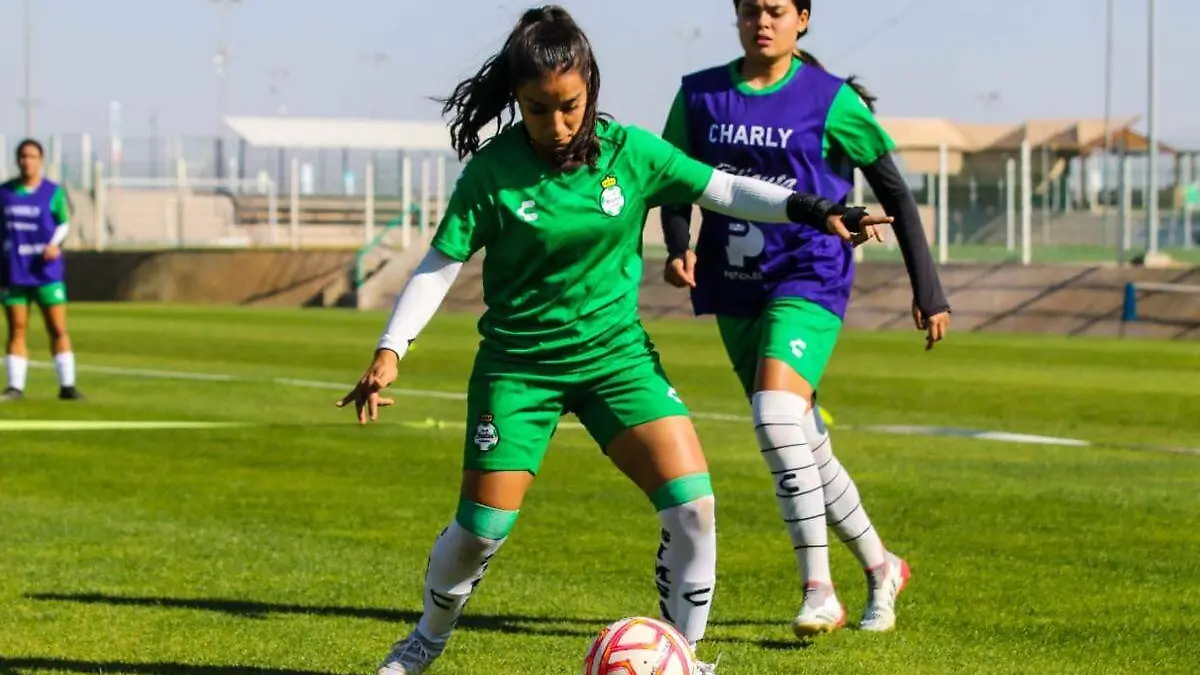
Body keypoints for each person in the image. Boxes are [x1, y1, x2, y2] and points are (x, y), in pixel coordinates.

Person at [335, 6, 890, 674]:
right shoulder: (493, 173)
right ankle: (425, 636)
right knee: (482, 531)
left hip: (616, 362)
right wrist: (391, 350)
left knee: (693, 507)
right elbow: (438, 265)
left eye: (569, 106)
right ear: (517, 101)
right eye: (537, 110)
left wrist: (816, 207)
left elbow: (724, 189)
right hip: (520, 369)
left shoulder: (632, 153)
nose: (557, 125)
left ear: (590, 87)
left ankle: (684, 656)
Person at [658, 0, 951, 637]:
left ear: (804, 18)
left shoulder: (833, 99)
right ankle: (882, 567)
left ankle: (819, 589)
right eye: (749, 10)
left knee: (772, 415)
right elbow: (674, 179)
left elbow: (894, 190)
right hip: (733, 284)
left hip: (810, 277)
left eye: (775, 10)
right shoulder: (699, 96)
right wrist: (679, 242)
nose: (761, 22)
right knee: (800, 438)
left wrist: (929, 289)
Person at [0, 138, 83, 401]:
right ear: (17, 160)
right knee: (17, 327)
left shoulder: (52, 192)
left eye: (32, 156)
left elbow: (64, 223)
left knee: (57, 327)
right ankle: (15, 387)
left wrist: (55, 244)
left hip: (46, 272)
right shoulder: (4, 193)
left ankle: (67, 386)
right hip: (13, 271)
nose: (27, 161)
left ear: (41, 160)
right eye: (23, 156)